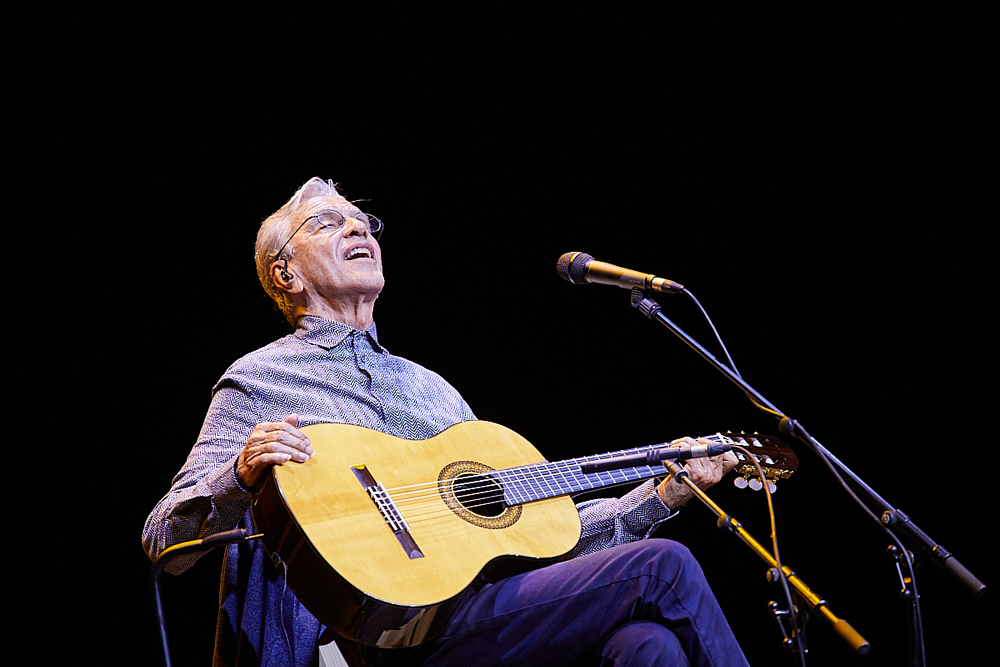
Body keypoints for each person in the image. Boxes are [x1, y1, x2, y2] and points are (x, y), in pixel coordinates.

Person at [143, 177, 749, 666]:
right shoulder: (262, 378)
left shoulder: (430, 388)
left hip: (476, 619)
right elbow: (163, 539)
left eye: (363, 220)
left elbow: (535, 535)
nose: (358, 226)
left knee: (647, 646)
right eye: (328, 222)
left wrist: (664, 492)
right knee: (663, 567)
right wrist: (239, 473)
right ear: (286, 274)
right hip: (377, 635)